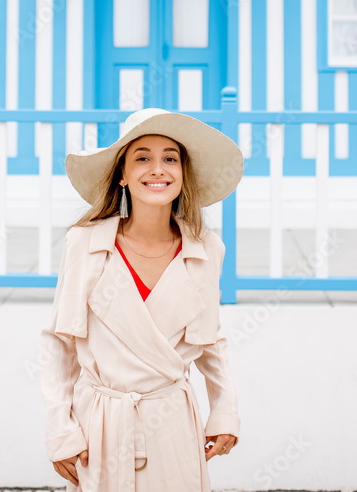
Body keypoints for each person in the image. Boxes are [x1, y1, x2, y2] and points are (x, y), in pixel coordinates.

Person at [38, 107, 244, 491]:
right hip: (99, 426)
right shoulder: (84, 243)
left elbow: (210, 341)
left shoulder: (206, 249)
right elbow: (60, 344)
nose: (158, 169)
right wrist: (59, 429)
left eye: (170, 158)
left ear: (184, 175)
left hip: (173, 425)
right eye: (142, 158)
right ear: (122, 175)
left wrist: (224, 410)